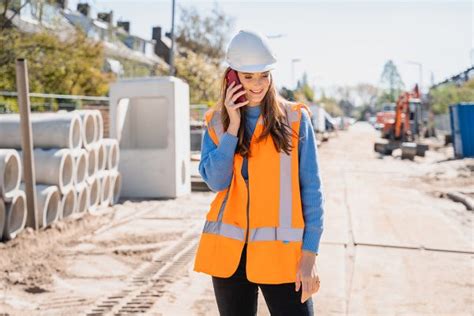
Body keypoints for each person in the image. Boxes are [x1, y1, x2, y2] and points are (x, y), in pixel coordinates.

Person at [193, 30, 324, 316]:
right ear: (231, 77)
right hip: (231, 257)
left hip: (282, 255)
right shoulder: (216, 122)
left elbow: (311, 190)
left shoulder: (294, 119)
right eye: (247, 76)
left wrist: (309, 255)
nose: (257, 85)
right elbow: (217, 181)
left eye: (264, 75)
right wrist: (232, 127)